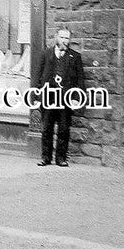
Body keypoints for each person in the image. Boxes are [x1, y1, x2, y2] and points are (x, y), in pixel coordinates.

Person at [33, 27, 85, 167]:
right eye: (62, 37)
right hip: (48, 99)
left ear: (69, 40)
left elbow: (80, 80)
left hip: (65, 100)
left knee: (63, 130)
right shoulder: (45, 54)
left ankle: (61, 158)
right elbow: (37, 77)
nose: (64, 40)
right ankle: (46, 158)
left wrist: (76, 98)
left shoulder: (75, 57)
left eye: (67, 38)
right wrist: (37, 96)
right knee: (46, 129)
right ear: (56, 37)